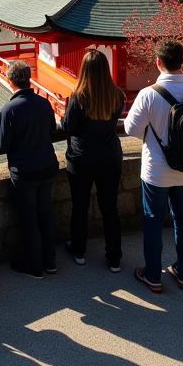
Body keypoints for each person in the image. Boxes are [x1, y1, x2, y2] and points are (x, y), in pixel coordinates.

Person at [124, 41, 183, 293]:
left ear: (158, 62)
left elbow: (131, 128)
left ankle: (153, 276)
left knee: (153, 220)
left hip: (156, 169)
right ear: (182, 61)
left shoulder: (149, 93)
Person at [0, 61, 60, 278]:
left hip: (25, 171)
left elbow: (0, 145)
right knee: (46, 215)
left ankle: (34, 265)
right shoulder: (43, 103)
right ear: (29, 78)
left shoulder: (9, 109)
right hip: (47, 166)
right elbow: (51, 131)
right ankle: (50, 262)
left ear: (10, 80)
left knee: (29, 219)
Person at [63, 49, 125, 272]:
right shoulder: (117, 95)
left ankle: (79, 250)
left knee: (80, 206)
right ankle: (114, 257)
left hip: (82, 158)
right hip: (109, 157)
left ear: (84, 70)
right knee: (110, 207)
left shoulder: (78, 97)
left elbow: (68, 126)